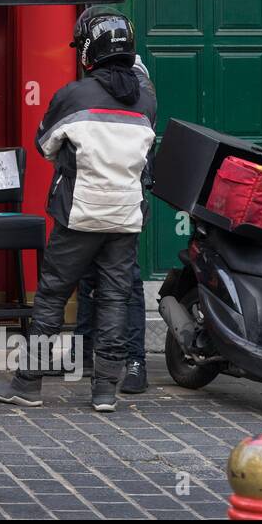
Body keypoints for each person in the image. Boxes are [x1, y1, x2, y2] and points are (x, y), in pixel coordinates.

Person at [0, 6, 156, 413]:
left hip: (80, 212)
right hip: (125, 214)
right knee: (115, 298)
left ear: (88, 51)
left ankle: (28, 382)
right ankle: (105, 391)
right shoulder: (145, 99)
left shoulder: (73, 95)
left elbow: (45, 145)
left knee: (52, 295)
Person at [73, 52, 156, 394]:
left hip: (124, 192)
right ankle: (83, 351)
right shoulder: (94, 80)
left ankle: (134, 360)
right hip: (92, 190)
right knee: (87, 272)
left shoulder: (136, 79)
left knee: (127, 281)